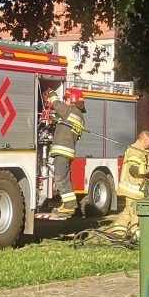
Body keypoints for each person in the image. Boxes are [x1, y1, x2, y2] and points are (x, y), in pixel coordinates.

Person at [46, 87, 86, 218]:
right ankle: (68, 204)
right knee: (65, 178)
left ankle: (69, 205)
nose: (66, 101)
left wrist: (52, 94)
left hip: (62, 151)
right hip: (67, 151)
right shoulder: (79, 117)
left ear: (72, 100)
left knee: (60, 177)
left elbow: (57, 104)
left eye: (67, 99)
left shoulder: (70, 111)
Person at [111, 129, 149, 237]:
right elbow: (133, 169)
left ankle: (117, 232)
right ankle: (136, 235)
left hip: (137, 190)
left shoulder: (143, 151)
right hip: (133, 190)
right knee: (136, 213)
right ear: (144, 140)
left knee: (128, 211)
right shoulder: (135, 150)